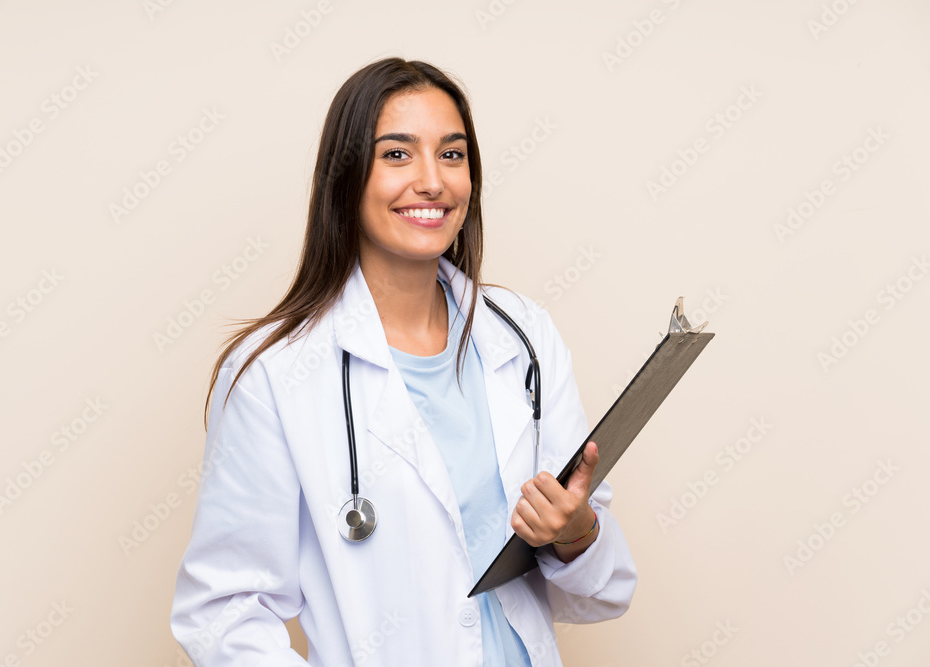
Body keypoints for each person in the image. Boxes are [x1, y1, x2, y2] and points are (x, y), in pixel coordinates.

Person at [170, 57, 637, 666]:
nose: (432, 181)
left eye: (452, 154)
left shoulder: (522, 335)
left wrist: (575, 534)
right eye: (396, 154)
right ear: (346, 176)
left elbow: (601, 595)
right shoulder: (274, 373)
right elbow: (222, 612)